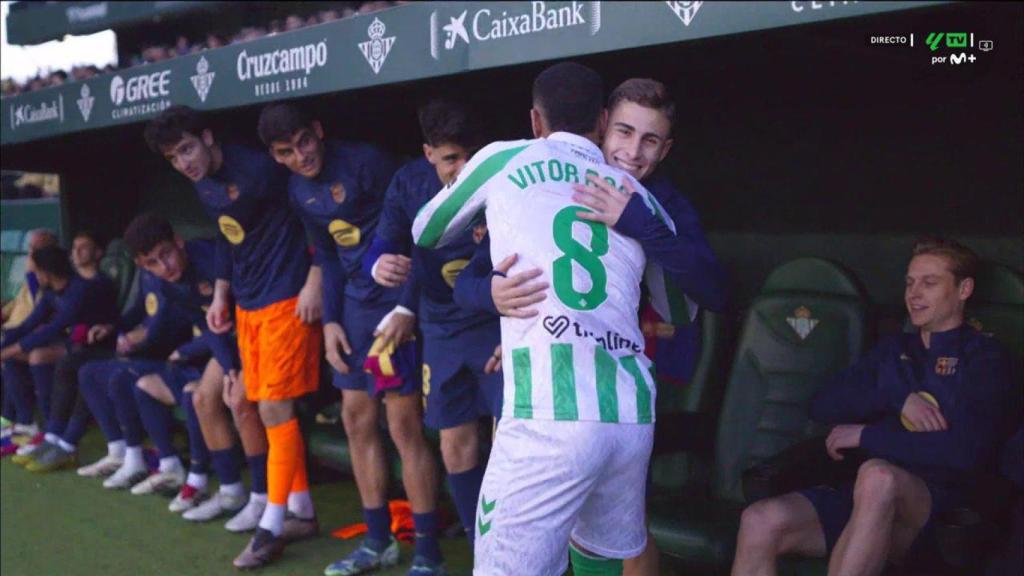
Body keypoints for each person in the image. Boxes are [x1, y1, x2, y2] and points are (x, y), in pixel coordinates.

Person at [453, 77, 727, 575]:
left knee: (621, 543)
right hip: (546, 391)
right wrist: (492, 295)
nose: (633, 152)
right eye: (623, 132)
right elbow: (468, 283)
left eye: (650, 140)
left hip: (622, 396)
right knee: (546, 541)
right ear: (602, 125)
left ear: (667, 148)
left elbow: (714, 293)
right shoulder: (544, 180)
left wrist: (638, 220)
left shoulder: (663, 203)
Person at [413, 61, 677, 576]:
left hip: (548, 413)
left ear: (536, 120)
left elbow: (428, 229)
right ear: (602, 122)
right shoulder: (638, 197)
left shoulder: (505, 157)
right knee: (599, 557)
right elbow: (674, 306)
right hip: (629, 414)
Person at [731, 237, 1016, 576]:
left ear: (964, 289)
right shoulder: (894, 350)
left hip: (940, 514)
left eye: (929, 283)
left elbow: (965, 454)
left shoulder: (986, 358)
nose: (914, 293)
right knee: (759, 521)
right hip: (866, 502)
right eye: (910, 282)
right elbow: (822, 405)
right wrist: (897, 396)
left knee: (877, 475)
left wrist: (867, 436)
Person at [256, 102, 444, 576]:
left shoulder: (367, 163)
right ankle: (377, 541)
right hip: (354, 313)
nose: (301, 156)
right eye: (287, 151)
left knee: (403, 426)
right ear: (276, 157)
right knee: (356, 420)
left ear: (317, 131)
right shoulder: (298, 190)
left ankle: (427, 554)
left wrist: (407, 307)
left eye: (304, 142)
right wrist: (331, 321)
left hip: (395, 307)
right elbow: (330, 255)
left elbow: (417, 234)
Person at [145, 106, 323, 569]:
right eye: (173, 157)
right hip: (248, 302)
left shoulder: (260, 169)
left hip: (287, 297)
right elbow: (229, 237)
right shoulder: (202, 185)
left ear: (206, 137)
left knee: (273, 407)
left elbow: (312, 209)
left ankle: (272, 526)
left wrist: (316, 278)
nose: (184, 162)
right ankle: (301, 509)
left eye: (186, 148)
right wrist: (222, 293)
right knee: (264, 407)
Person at [364, 97, 502, 555]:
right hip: (441, 327)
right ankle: (480, 545)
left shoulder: (502, 177)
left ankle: (520, 548)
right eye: (450, 159)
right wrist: (380, 266)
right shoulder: (408, 184)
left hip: (497, 323)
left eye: (470, 155)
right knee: (454, 441)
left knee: (512, 441)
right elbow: (381, 247)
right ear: (428, 154)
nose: (463, 168)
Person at [117, 213, 249, 517]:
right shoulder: (167, 286)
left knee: (237, 401)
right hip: (229, 343)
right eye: (152, 263)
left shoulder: (212, 256)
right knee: (202, 397)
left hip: (259, 330)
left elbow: (246, 307)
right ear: (142, 265)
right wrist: (229, 367)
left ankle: (264, 499)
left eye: (166, 254)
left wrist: (231, 364)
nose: (164, 267)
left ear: (178, 242)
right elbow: (208, 326)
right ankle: (230, 491)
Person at [2, 244, 119, 471]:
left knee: (39, 355)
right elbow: (29, 324)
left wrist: (10, 349)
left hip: (101, 346)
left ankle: (52, 431)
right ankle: (32, 425)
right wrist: (5, 343)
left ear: (46, 271)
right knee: (18, 356)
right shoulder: (51, 293)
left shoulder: (79, 289)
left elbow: (55, 327)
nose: (35, 276)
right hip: (74, 346)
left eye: (36, 271)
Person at [1, 229, 58, 449]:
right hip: (16, 329)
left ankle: (23, 420)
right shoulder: (31, 278)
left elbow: (40, 316)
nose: (31, 254)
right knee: (8, 347)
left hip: (41, 337)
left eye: (37, 248)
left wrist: (33, 274)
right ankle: (16, 419)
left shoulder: (48, 278)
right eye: (30, 248)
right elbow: (14, 307)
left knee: (10, 352)